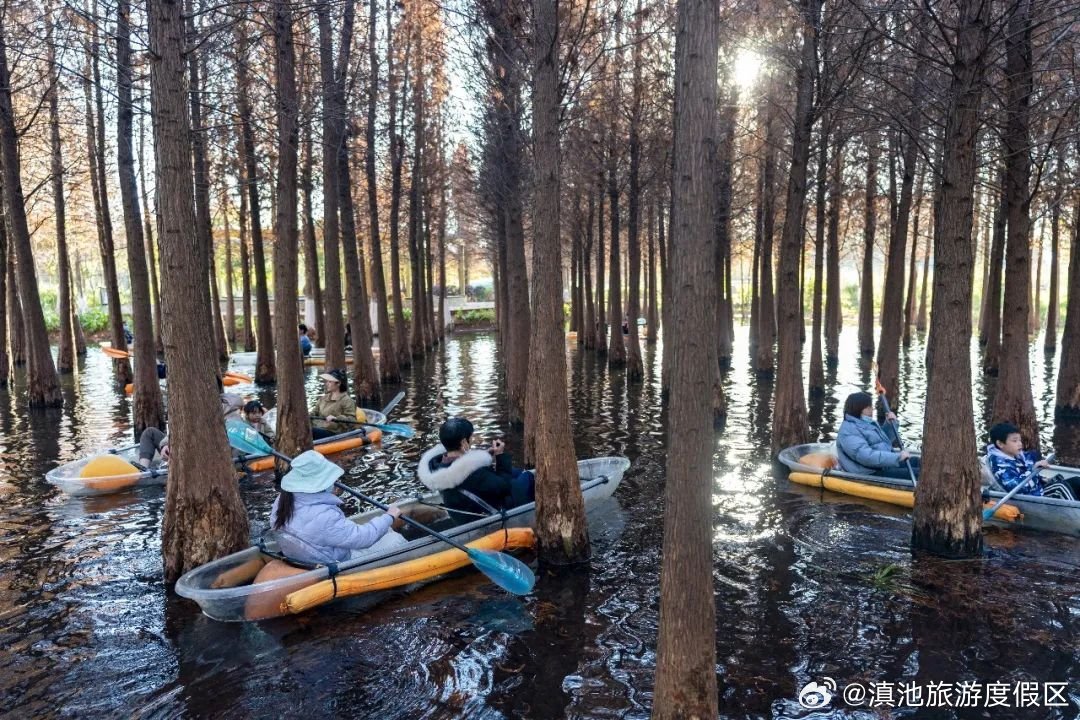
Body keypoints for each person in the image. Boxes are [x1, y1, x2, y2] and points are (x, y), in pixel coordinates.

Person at [269, 450, 405, 565]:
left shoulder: (282, 499)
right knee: (397, 540)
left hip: (310, 556)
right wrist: (389, 516)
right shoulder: (324, 516)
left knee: (386, 531)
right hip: (337, 562)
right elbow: (363, 538)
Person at [417, 417, 535, 515]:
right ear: (464, 442)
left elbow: (467, 467)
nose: (472, 440)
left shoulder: (436, 465)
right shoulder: (474, 473)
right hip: (490, 510)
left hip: (467, 509)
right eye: (471, 437)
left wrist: (486, 456)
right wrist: (500, 456)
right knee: (528, 476)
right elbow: (504, 487)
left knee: (515, 472)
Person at [835, 391, 920, 479]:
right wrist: (897, 457)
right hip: (869, 472)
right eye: (869, 407)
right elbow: (866, 457)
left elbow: (883, 443)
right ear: (858, 409)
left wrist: (890, 425)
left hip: (881, 465)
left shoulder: (865, 423)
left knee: (918, 462)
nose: (872, 409)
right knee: (919, 474)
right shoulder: (849, 430)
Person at [985, 422, 1080, 500]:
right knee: (1060, 488)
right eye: (1014, 441)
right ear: (1000, 444)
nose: (1019, 444)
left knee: (1076, 480)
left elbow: (1027, 465)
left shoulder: (1015, 454)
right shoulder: (1000, 465)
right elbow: (1017, 488)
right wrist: (1033, 469)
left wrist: (1039, 473)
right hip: (1029, 495)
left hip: (1037, 488)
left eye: (1020, 440)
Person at [310, 369, 356, 439]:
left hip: (334, 432)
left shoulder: (347, 400)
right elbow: (314, 412)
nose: (327, 384)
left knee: (310, 431)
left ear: (338, 383)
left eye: (330, 381)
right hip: (319, 427)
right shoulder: (323, 398)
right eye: (327, 381)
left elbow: (352, 420)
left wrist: (337, 418)